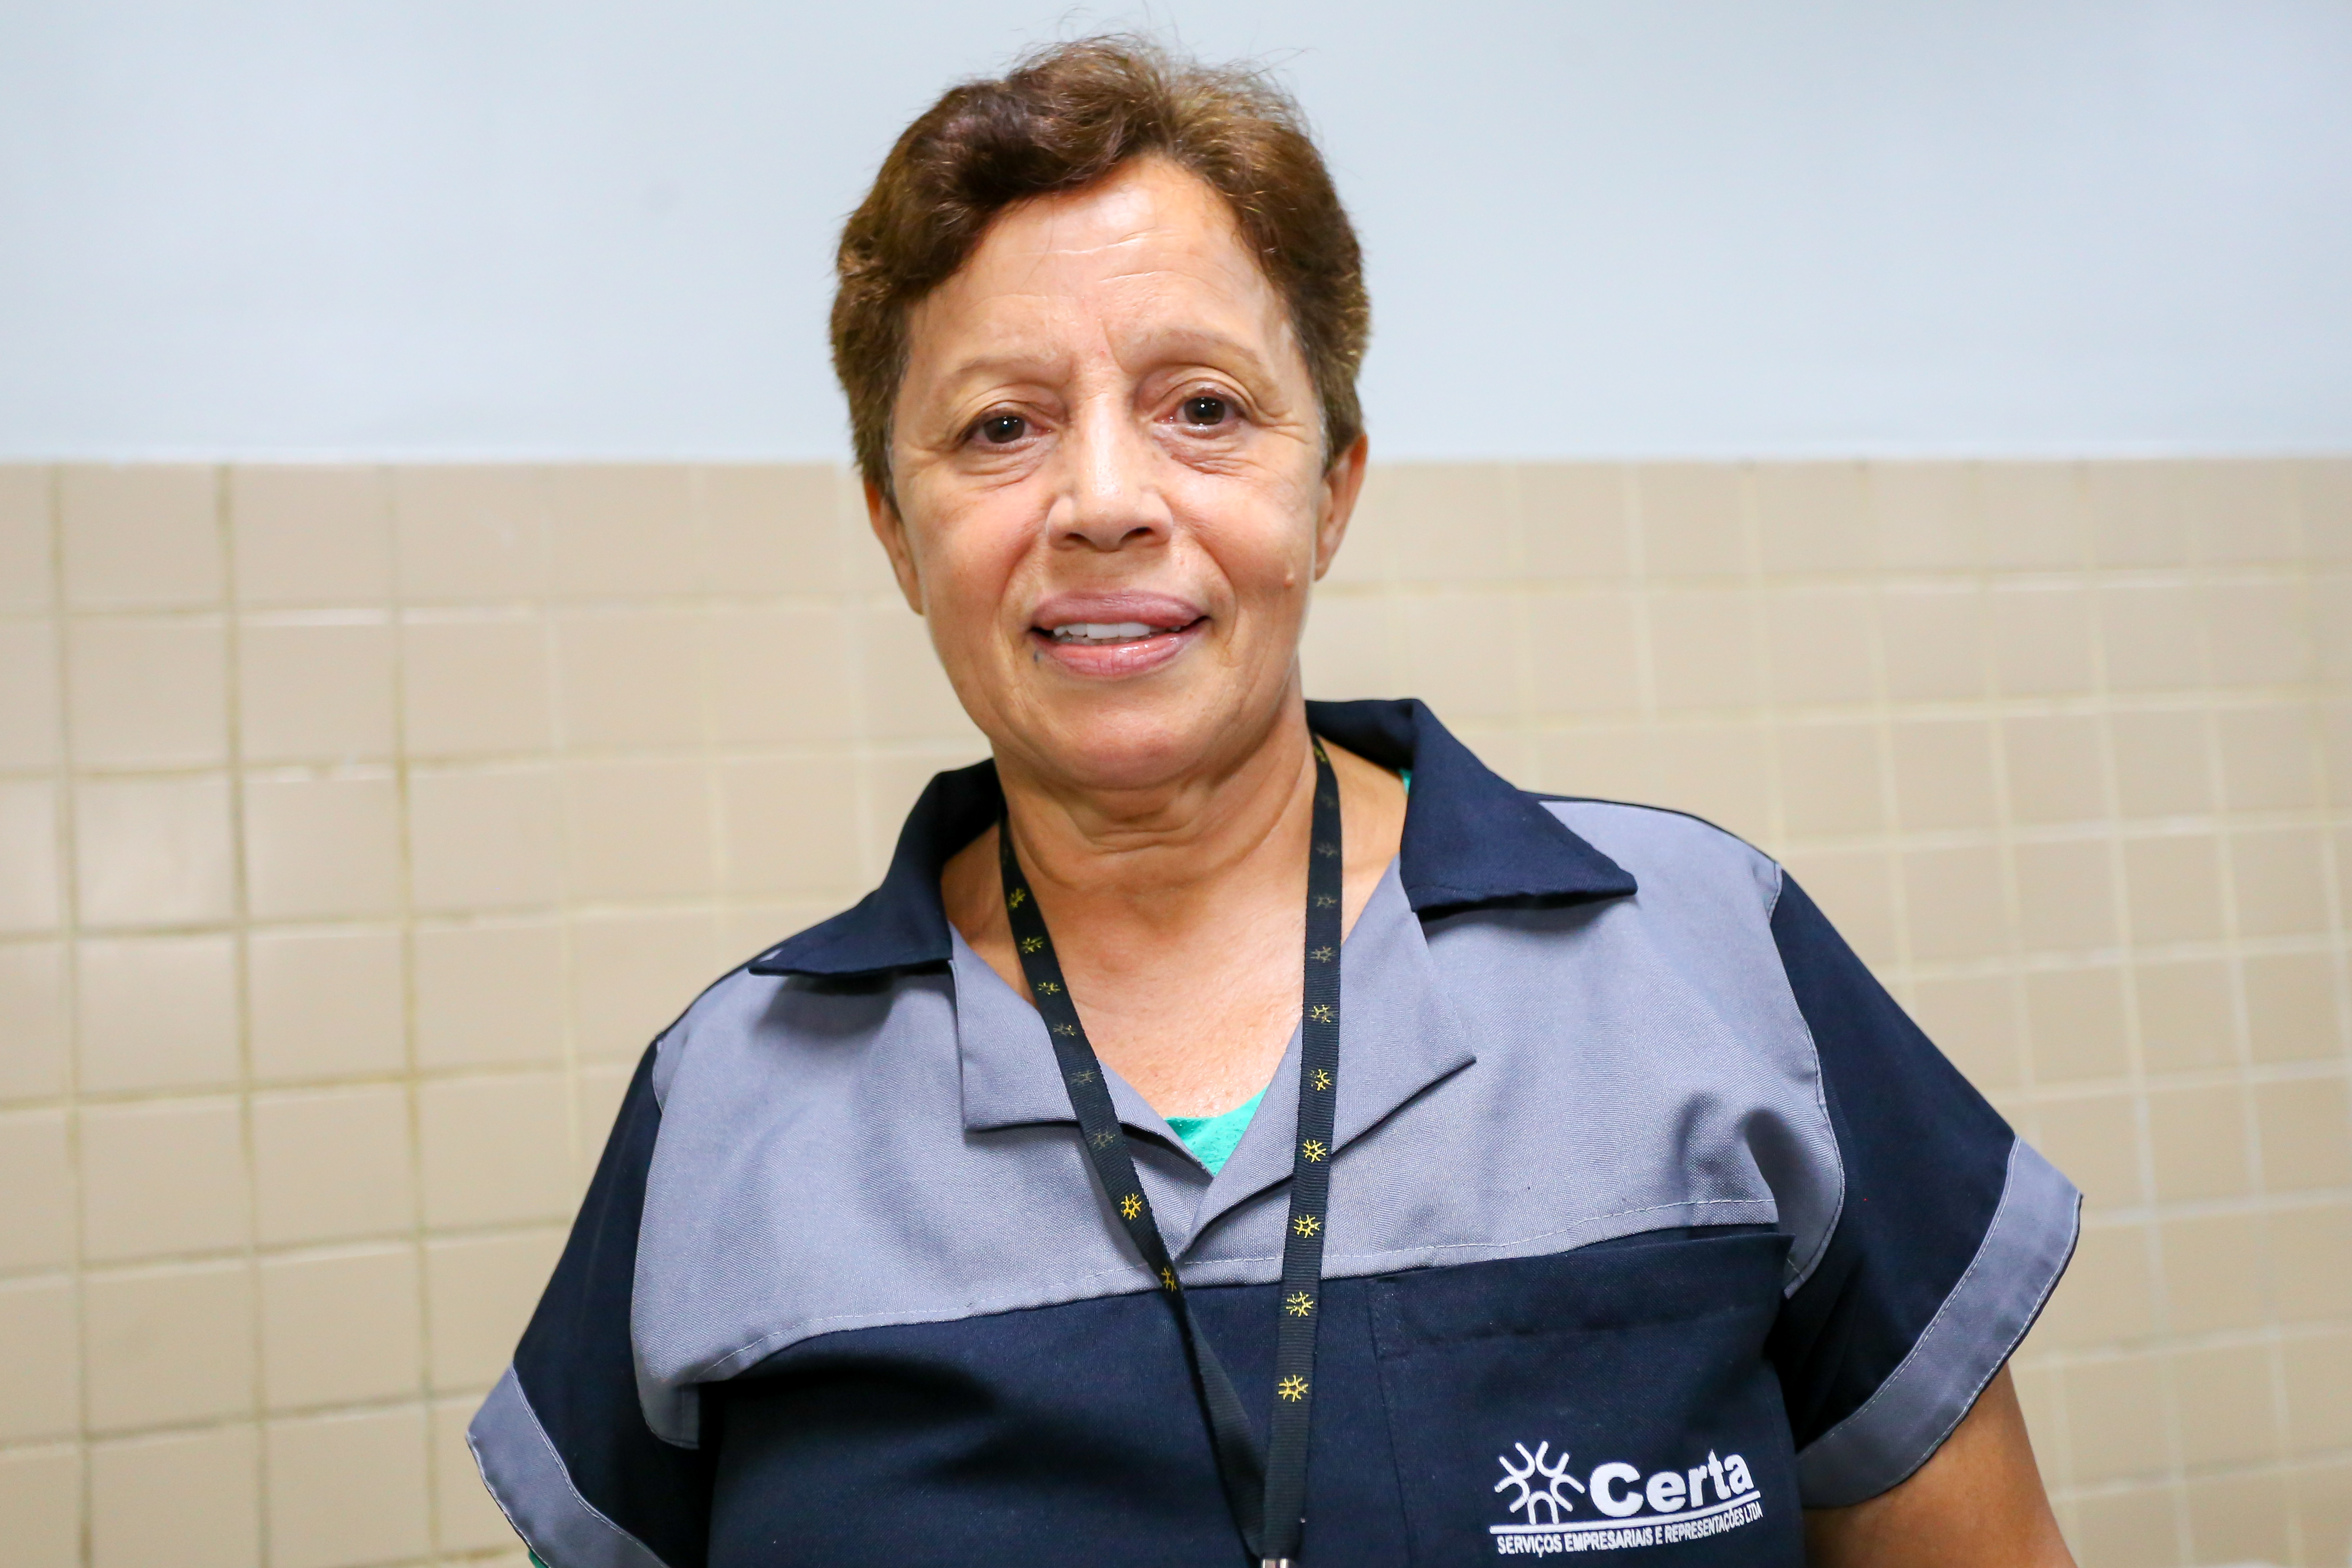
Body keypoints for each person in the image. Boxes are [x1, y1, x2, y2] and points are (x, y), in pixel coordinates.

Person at [470, 37, 2079, 1568]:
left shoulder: (1710, 956)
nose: (1105, 502)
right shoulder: (730, 1101)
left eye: (1206, 409)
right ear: (899, 532)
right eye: (1001, 427)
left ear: (1332, 491)